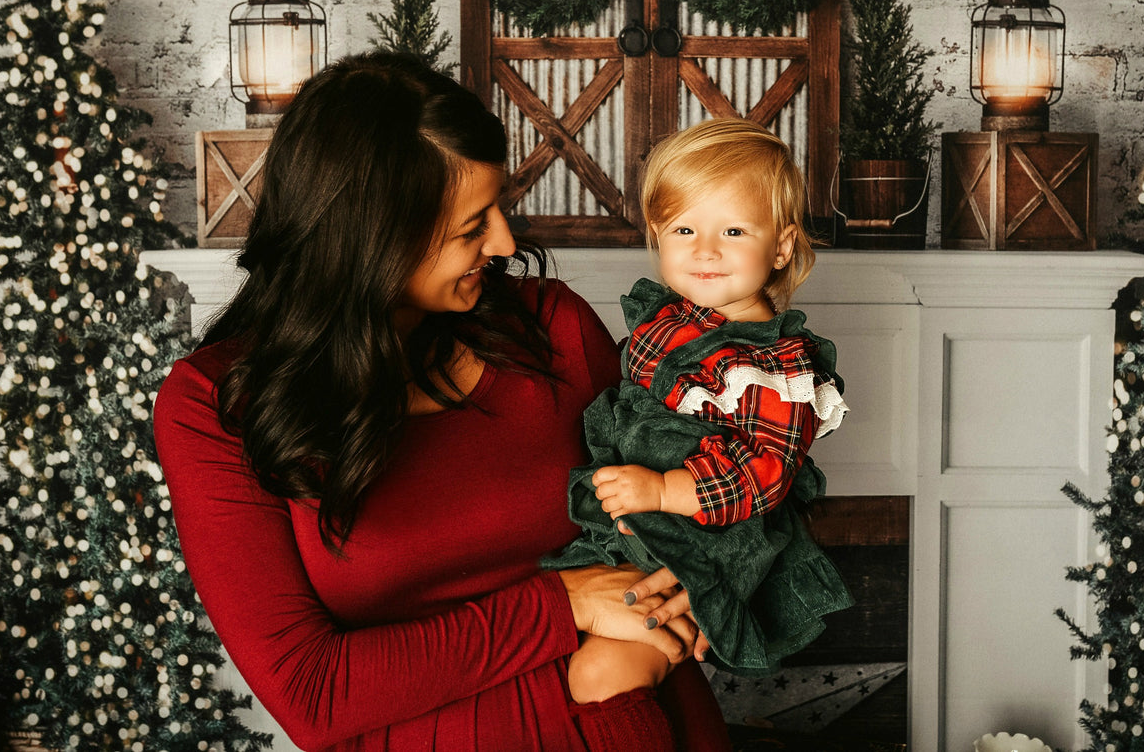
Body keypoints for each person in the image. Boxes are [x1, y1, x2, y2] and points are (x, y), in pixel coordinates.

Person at [153, 53, 730, 752]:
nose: (505, 242)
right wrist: (564, 603)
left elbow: (682, 521)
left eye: (499, 208)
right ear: (371, 238)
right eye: (470, 227)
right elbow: (312, 693)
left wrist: (693, 581)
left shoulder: (553, 329)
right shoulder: (217, 405)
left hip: (638, 725)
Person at [547, 117, 853, 702]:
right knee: (535, 641)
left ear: (782, 246)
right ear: (658, 234)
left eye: (734, 231)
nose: (705, 250)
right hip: (623, 519)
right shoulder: (671, 319)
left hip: (702, 539)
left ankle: (653, 678)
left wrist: (663, 490)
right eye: (684, 228)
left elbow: (764, 473)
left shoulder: (777, 368)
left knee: (597, 679)